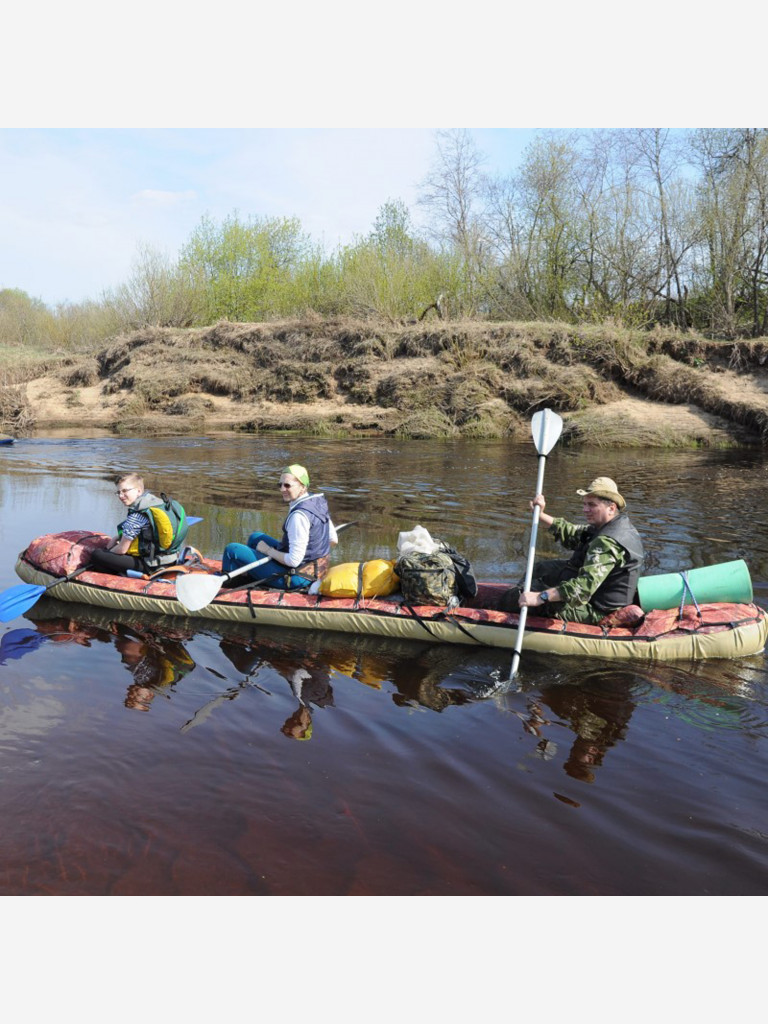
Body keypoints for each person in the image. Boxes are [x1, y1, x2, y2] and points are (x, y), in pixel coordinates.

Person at [502, 476, 644, 625]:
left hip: (597, 610)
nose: (585, 510)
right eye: (584, 504)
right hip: (594, 594)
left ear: (611, 508)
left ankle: (511, 611)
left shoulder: (607, 542)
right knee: (540, 569)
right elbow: (571, 532)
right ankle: (521, 599)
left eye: (591, 505)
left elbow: (583, 588)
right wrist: (540, 514)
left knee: (520, 594)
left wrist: (540, 597)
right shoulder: (611, 525)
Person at [221, 464, 338, 590]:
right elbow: (333, 539)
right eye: (280, 485)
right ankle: (253, 574)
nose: (282, 489)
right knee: (255, 538)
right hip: (317, 570)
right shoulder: (315, 503)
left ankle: (229, 586)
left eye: (287, 485)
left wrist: (268, 551)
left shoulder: (298, 517)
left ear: (303, 487)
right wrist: (313, 550)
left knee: (231, 550)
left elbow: (294, 561)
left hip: (297, 578)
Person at [91, 473, 187, 576]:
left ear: (139, 491)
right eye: (118, 492)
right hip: (170, 560)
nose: (120, 496)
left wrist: (108, 551)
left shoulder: (136, 516)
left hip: (150, 565)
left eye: (125, 491)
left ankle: (120, 576)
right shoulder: (158, 504)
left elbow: (122, 550)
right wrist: (116, 538)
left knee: (97, 555)